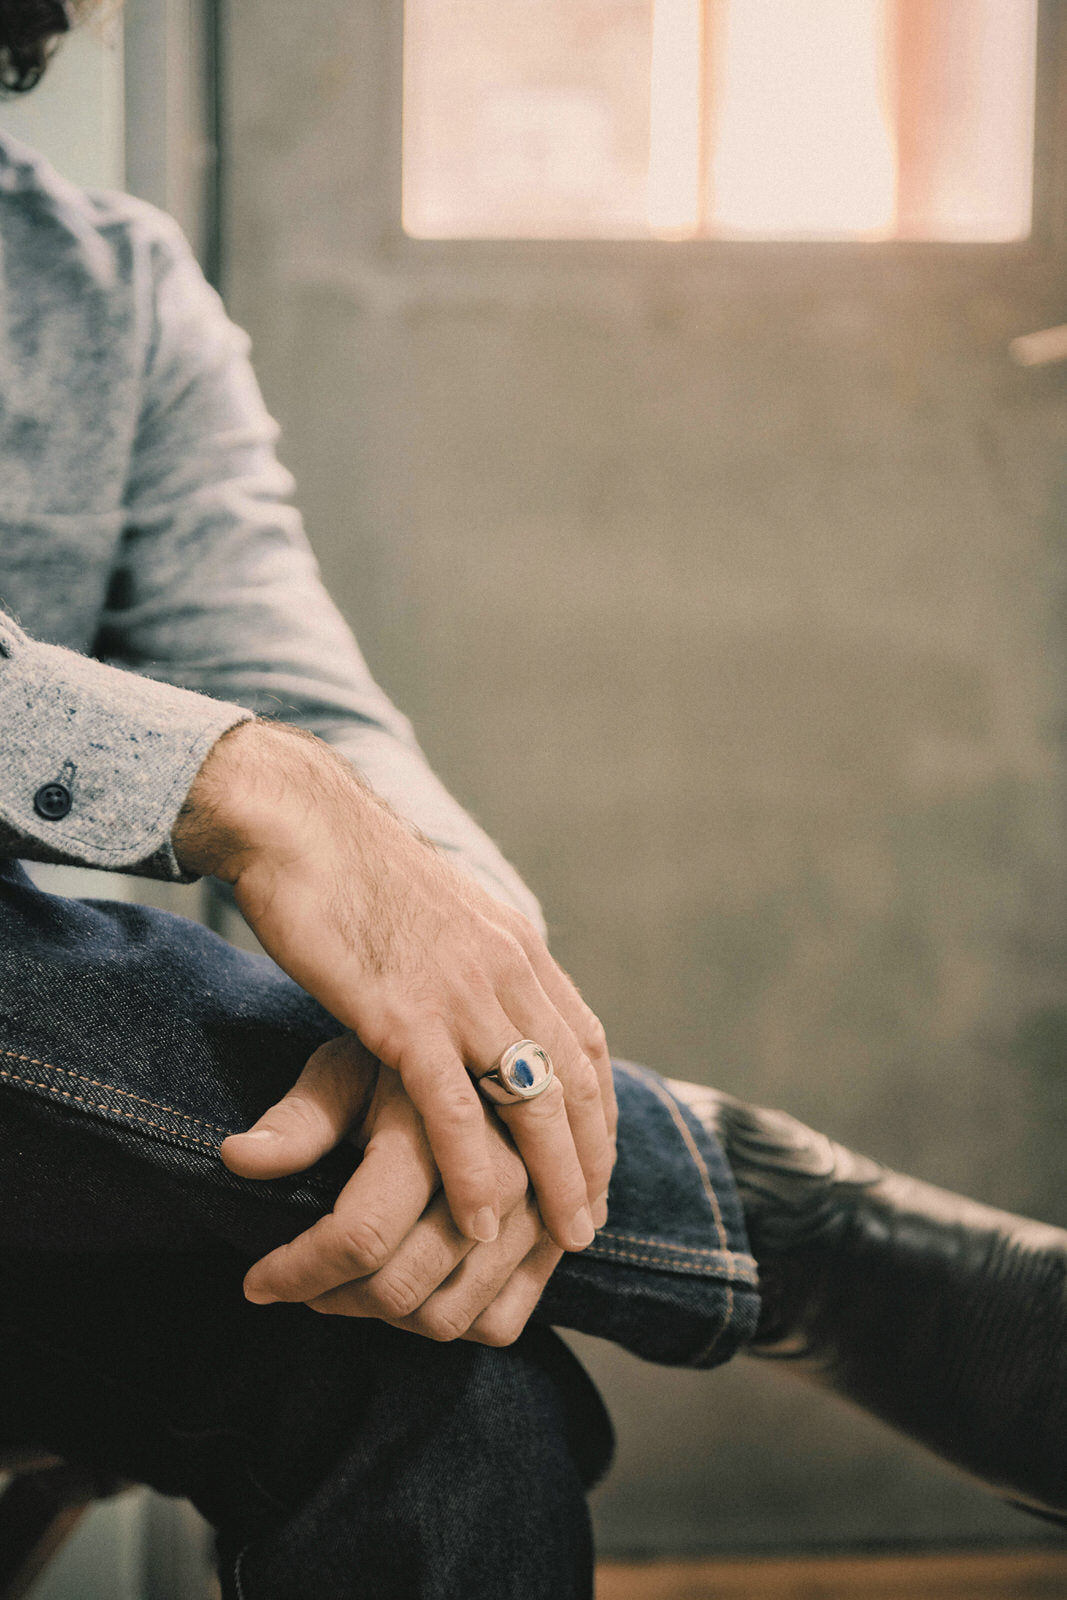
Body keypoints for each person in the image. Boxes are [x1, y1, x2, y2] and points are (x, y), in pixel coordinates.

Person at [0, 4, 1063, 1596]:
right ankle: (780, 1233)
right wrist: (236, 779)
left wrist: (441, 983)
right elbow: (271, 763)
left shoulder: (103, 283)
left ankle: (751, 1220)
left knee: (432, 1354)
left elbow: (300, 696)